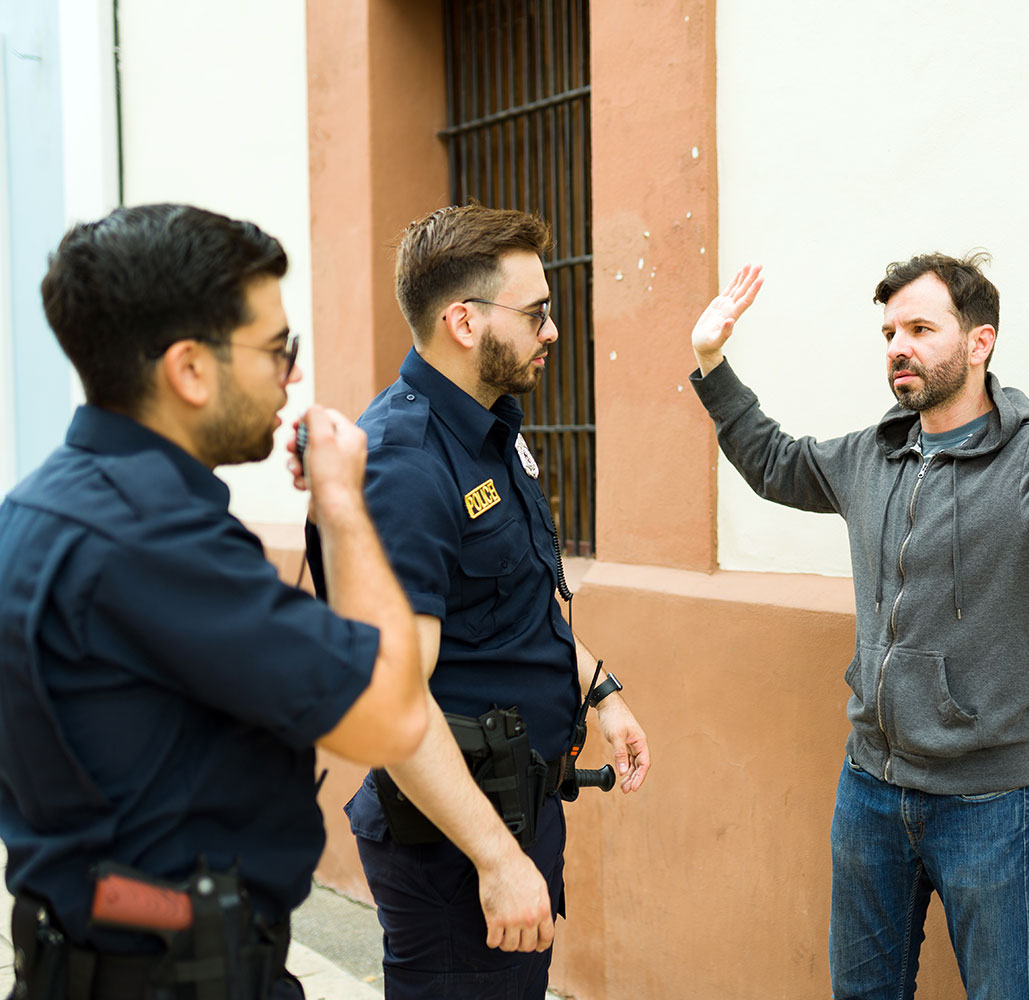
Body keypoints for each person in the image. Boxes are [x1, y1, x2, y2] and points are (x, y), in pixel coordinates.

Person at [688, 225, 1029, 1000]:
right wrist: (712, 363)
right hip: (869, 790)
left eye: (919, 329)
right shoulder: (869, 455)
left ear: (980, 342)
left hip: (985, 803)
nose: (896, 348)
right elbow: (774, 462)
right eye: (888, 333)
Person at [0, 203, 428, 1000]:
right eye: (277, 349)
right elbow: (393, 712)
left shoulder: (31, 511)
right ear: (190, 369)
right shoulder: (153, 542)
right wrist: (342, 506)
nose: (292, 375)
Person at [305, 205, 651, 1000]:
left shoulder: (489, 431)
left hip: (512, 810)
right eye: (535, 313)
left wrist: (599, 692)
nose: (552, 330)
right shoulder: (406, 465)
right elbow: (392, 703)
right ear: (464, 320)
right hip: (453, 848)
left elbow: (516, 612)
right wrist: (496, 858)